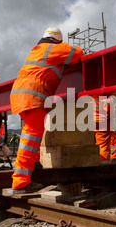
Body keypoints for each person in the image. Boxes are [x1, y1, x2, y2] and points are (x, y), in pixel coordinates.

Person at [10, 27, 83, 193]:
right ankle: (20, 182)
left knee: (31, 136)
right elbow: (78, 52)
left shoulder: (37, 50)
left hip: (22, 94)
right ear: (57, 39)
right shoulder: (53, 48)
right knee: (30, 137)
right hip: (32, 95)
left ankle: (33, 170)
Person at [94, 96, 116, 164]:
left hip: (89, 123)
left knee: (91, 144)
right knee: (103, 146)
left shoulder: (88, 95)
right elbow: (110, 112)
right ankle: (103, 167)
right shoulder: (107, 97)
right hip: (102, 123)